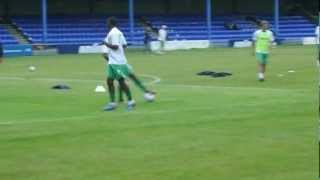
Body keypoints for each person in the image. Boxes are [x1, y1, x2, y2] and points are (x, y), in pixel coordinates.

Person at [103, 17, 135, 111]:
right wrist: (118, 53)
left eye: (107, 22)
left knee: (121, 81)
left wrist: (106, 44)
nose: (106, 24)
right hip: (112, 61)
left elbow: (116, 47)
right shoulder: (118, 32)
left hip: (118, 62)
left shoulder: (114, 33)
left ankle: (131, 101)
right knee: (109, 81)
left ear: (110, 23)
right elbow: (124, 45)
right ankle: (112, 103)